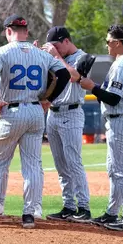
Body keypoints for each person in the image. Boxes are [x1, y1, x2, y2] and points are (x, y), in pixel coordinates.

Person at [0, 15, 72, 229]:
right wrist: (49, 100)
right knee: (32, 166)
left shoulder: (2, 52)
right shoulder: (40, 54)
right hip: (35, 112)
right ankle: (29, 215)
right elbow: (64, 75)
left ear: (8, 31)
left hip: (10, 111)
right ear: (27, 31)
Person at [80, 24, 123, 232]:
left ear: (117, 42)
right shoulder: (122, 62)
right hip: (119, 119)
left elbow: (114, 98)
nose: (106, 45)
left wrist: (92, 87)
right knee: (114, 171)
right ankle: (112, 212)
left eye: (108, 41)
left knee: (122, 173)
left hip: (122, 119)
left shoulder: (122, 65)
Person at [40, 26, 91, 223]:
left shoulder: (83, 57)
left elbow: (73, 76)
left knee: (74, 162)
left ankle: (84, 207)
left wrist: (56, 58)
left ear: (66, 41)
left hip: (72, 112)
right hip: (53, 112)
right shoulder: (54, 56)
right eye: (51, 46)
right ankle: (68, 205)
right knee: (61, 164)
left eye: (56, 45)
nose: (54, 49)